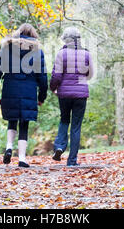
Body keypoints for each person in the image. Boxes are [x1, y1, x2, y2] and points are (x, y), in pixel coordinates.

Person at [0, 23, 48, 168]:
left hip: (10, 88)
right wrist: (42, 96)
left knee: (12, 119)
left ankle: (9, 147)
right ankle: (22, 159)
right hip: (28, 90)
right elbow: (43, 77)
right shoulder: (37, 51)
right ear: (33, 35)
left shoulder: (6, 48)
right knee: (24, 123)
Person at [50, 27, 94, 166]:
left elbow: (56, 75)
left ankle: (59, 146)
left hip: (64, 93)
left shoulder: (61, 53)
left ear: (65, 39)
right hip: (81, 94)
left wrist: (53, 88)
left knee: (64, 120)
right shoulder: (86, 54)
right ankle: (72, 161)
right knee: (76, 126)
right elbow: (90, 74)